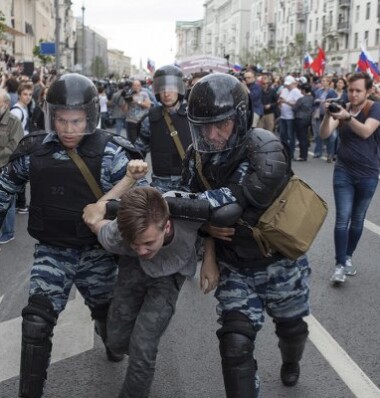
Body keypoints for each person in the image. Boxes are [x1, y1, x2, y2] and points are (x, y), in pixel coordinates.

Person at [0, 73, 146, 398]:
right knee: (36, 321)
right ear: (52, 116)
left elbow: (143, 200)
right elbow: (4, 188)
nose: (68, 129)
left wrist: (109, 208)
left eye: (76, 121)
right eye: (62, 121)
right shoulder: (34, 151)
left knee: (108, 318)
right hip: (53, 251)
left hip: (97, 252)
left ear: (90, 117)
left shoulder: (110, 153)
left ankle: (111, 342)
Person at [180, 73, 311, 397]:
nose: (211, 134)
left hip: (278, 260)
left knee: (292, 328)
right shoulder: (197, 157)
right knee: (234, 344)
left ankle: (291, 360)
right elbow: (195, 210)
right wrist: (208, 253)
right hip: (235, 266)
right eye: (204, 126)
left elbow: (227, 206)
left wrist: (198, 214)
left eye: (220, 125)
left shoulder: (264, 148)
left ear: (238, 118)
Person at [82, 186, 219, 398]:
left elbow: (215, 226)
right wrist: (96, 211)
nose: (143, 250)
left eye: (148, 242)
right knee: (117, 343)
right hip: (133, 269)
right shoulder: (117, 234)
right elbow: (95, 223)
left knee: (142, 345)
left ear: (167, 226)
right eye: (135, 244)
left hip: (171, 274)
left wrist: (209, 258)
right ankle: (105, 326)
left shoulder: (189, 213)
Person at [319, 72, 380, 284]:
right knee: (342, 218)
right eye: (350, 90)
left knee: (358, 220)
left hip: (368, 174)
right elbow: (324, 135)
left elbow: (366, 131)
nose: (353, 94)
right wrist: (328, 115)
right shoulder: (342, 106)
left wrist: (346, 117)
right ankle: (339, 264)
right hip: (343, 171)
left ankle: (348, 257)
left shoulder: (374, 108)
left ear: (369, 91)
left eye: (358, 91)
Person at [134, 65, 192, 192]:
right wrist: (141, 184)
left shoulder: (193, 116)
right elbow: (136, 154)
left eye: (171, 88)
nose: (166, 93)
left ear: (179, 89)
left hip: (190, 185)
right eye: (162, 89)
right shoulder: (150, 118)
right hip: (159, 186)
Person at [0, 89, 24, 245]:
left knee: (7, 199)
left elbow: (14, 147)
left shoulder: (14, 121)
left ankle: (8, 233)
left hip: (6, 166)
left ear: (5, 104)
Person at [278, 75, 303, 160]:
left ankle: (290, 153)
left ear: (293, 83)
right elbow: (280, 99)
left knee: (291, 136)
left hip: (291, 117)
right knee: (282, 135)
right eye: (286, 84)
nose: (287, 86)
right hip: (283, 116)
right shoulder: (284, 90)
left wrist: (287, 102)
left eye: (289, 84)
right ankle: (283, 152)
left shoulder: (296, 92)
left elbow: (299, 104)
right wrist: (280, 103)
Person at [293, 83, 314, 161]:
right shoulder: (312, 98)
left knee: (301, 137)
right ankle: (304, 155)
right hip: (308, 119)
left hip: (300, 118)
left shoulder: (301, 99)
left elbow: (295, 108)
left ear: (304, 90)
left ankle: (302, 155)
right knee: (304, 137)